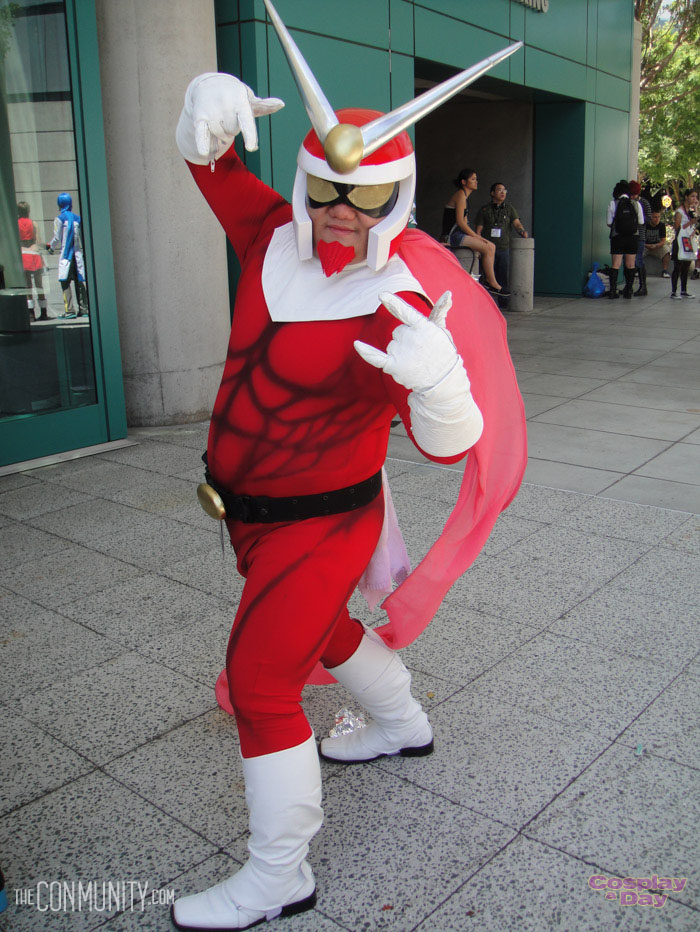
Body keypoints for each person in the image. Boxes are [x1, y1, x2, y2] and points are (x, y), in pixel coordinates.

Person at [168, 3, 526, 930]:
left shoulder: (396, 307)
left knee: (260, 681)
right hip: (249, 513)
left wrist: (440, 385)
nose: (337, 212)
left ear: (398, 196)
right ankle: (403, 722)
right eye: (325, 189)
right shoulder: (268, 240)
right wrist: (203, 109)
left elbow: (448, 444)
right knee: (321, 632)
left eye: (365, 198)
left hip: (325, 518)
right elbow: (216, 167)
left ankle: (280, 870)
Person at [442, 169, 507, 295]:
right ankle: (491, 282)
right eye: (472, 179)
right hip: (452, 236)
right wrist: (477, 237)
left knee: (491, 246)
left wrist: (477, 238)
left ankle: (489, 280)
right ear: (463, 182)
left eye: (476, 179)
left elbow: (465, 223)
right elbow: (460, 222)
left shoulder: (464, 197)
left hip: (459, 234)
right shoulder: (460, 195)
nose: (476, 182)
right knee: (488, 248)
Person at [474, 182, 527, 306]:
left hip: (503, 248)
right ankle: (486, 303)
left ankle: (503, 302)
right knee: (487, 276)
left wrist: (522, 231)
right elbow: (478, 230)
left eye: (504, 190)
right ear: (492, 193)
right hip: (487, 249)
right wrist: (479, 246)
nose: (503, 192)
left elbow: (517, 223)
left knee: (502, 276)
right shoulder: (484, 210)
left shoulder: (509, 209)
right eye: (499, 190)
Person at [47, 192, 88, 318]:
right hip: (77, 254)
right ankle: (84, 309)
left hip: (66, 255)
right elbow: (82, 238)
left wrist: (50, 247)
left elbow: (57, 237)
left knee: (65, 282)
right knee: (79, 281)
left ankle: (69, 310)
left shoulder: (59, 219)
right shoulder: (78, 218)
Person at [606, 180, 644, 299]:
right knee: (630, 264)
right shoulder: (636, 204)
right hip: (632, 237)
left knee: (616, 264)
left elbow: (609, 223)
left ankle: (613, 291)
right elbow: (641, 222)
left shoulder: (613, 203)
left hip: (617, 237)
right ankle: (628, 290)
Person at [17, 201, 48, 320]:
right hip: (34, 254)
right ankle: (44, 312)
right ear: (28, 211)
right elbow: (39, 241)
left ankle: (31, 314)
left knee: (27, 285)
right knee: (39, 284)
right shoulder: (34, 223)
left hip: (23, 254)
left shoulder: (16, 224)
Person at [670, 188, 698, 300]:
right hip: (679, 241)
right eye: (692, 196)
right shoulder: (680, 211)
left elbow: (696, 220)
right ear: (686, 197)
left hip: (687, 240)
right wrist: (690, 223)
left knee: (686, 266)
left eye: (696, 197)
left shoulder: (690, 210)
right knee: (678, 266)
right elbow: (677, 227)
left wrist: (696, 208)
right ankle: (673, 291)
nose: (694, 199)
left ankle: (683, 290)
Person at [628, 180, 651, 296]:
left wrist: (637, 218)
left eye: (634, 194)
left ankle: (643, 286)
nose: (633, 196)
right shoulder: (626, 202)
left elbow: (649, 219)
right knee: (628, 261)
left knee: (638, 260)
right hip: (629, 235)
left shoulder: (644, 203)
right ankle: (629, 286)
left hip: (640, 235)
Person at [643, 210, 671, 277]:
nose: (657, 219)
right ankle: (637, 269)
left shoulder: (661, 225)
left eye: (658, 217)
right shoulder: (645, 225)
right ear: (651, 217)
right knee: (637, 251)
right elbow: (640, 240)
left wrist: (657, 245)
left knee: (666, 251)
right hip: (645, 246)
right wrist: (647, 245)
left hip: (657, 246)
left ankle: (665, 271)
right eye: (655, 217)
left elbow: (663, 240)